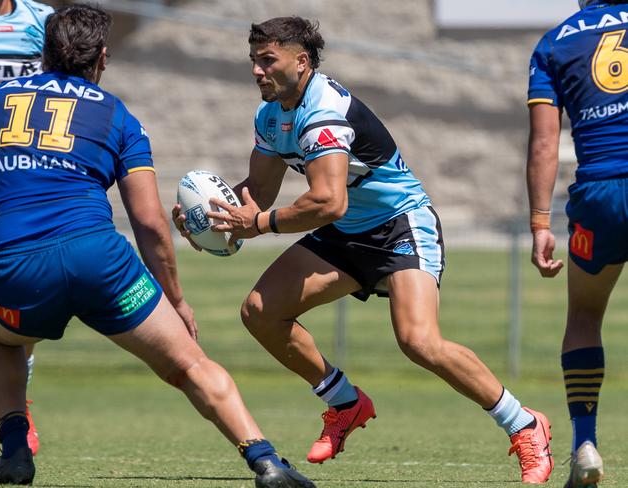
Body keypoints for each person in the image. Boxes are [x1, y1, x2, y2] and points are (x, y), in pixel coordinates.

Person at [174, 16, 554, 484]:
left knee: (419, 341)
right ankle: (345, 403)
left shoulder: (324, 110)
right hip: (346, 232)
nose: (257, 70)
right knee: (260, 311)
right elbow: (260, 191)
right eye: (254, 61)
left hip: (400, 225)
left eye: (267, 60)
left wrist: (258, 225)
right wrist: (211, 221)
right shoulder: (270, 116)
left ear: (302, 61)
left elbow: (328, 201)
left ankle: (525, 424)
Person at [0, 5, 316, 487]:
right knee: (189, 365)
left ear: (42, 53)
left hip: (19, 266)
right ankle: (265, 461)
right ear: (103, 59)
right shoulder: (118, 116)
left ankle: (14, 452)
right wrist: (175, 299)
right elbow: (150, 221)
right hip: (102, 263)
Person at [527, 0, 628, 486]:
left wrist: (540, 223)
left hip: (598, 196)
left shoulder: (554, 43)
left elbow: (545, 143)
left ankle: (585, 443)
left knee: (585, 318)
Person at [0, 0, 52, 462]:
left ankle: (13, 412)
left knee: (17, 293)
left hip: (18, 173)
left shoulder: (42, 21)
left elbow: (70, 88)